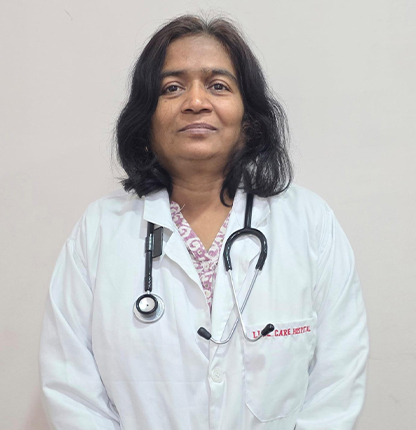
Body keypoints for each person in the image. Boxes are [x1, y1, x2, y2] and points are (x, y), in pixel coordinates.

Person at [40, 15, 369, 430]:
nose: (196, 101)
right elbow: (71, 387)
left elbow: (338, 379)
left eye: (218, 85)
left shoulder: (308, 222)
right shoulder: (101, 229)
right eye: (172, 88)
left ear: (249, 119)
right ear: (147, 120)